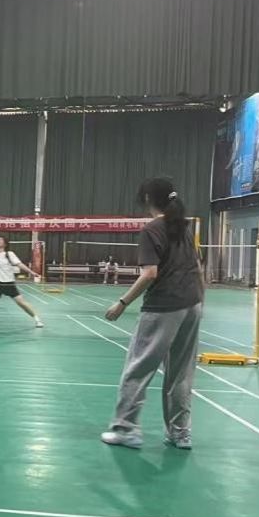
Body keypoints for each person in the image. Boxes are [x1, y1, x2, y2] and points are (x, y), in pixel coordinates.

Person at [100, 178, 205, 451]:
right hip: (192, 304)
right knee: (181, 373)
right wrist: (199, 302)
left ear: (147, 198)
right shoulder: (182, 227)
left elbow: (150, 273)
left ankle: (125, 429)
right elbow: (197, 267)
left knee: (138, 368)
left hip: (164, 307)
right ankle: (180, 433)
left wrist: (122, 303)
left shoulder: (152, 229)